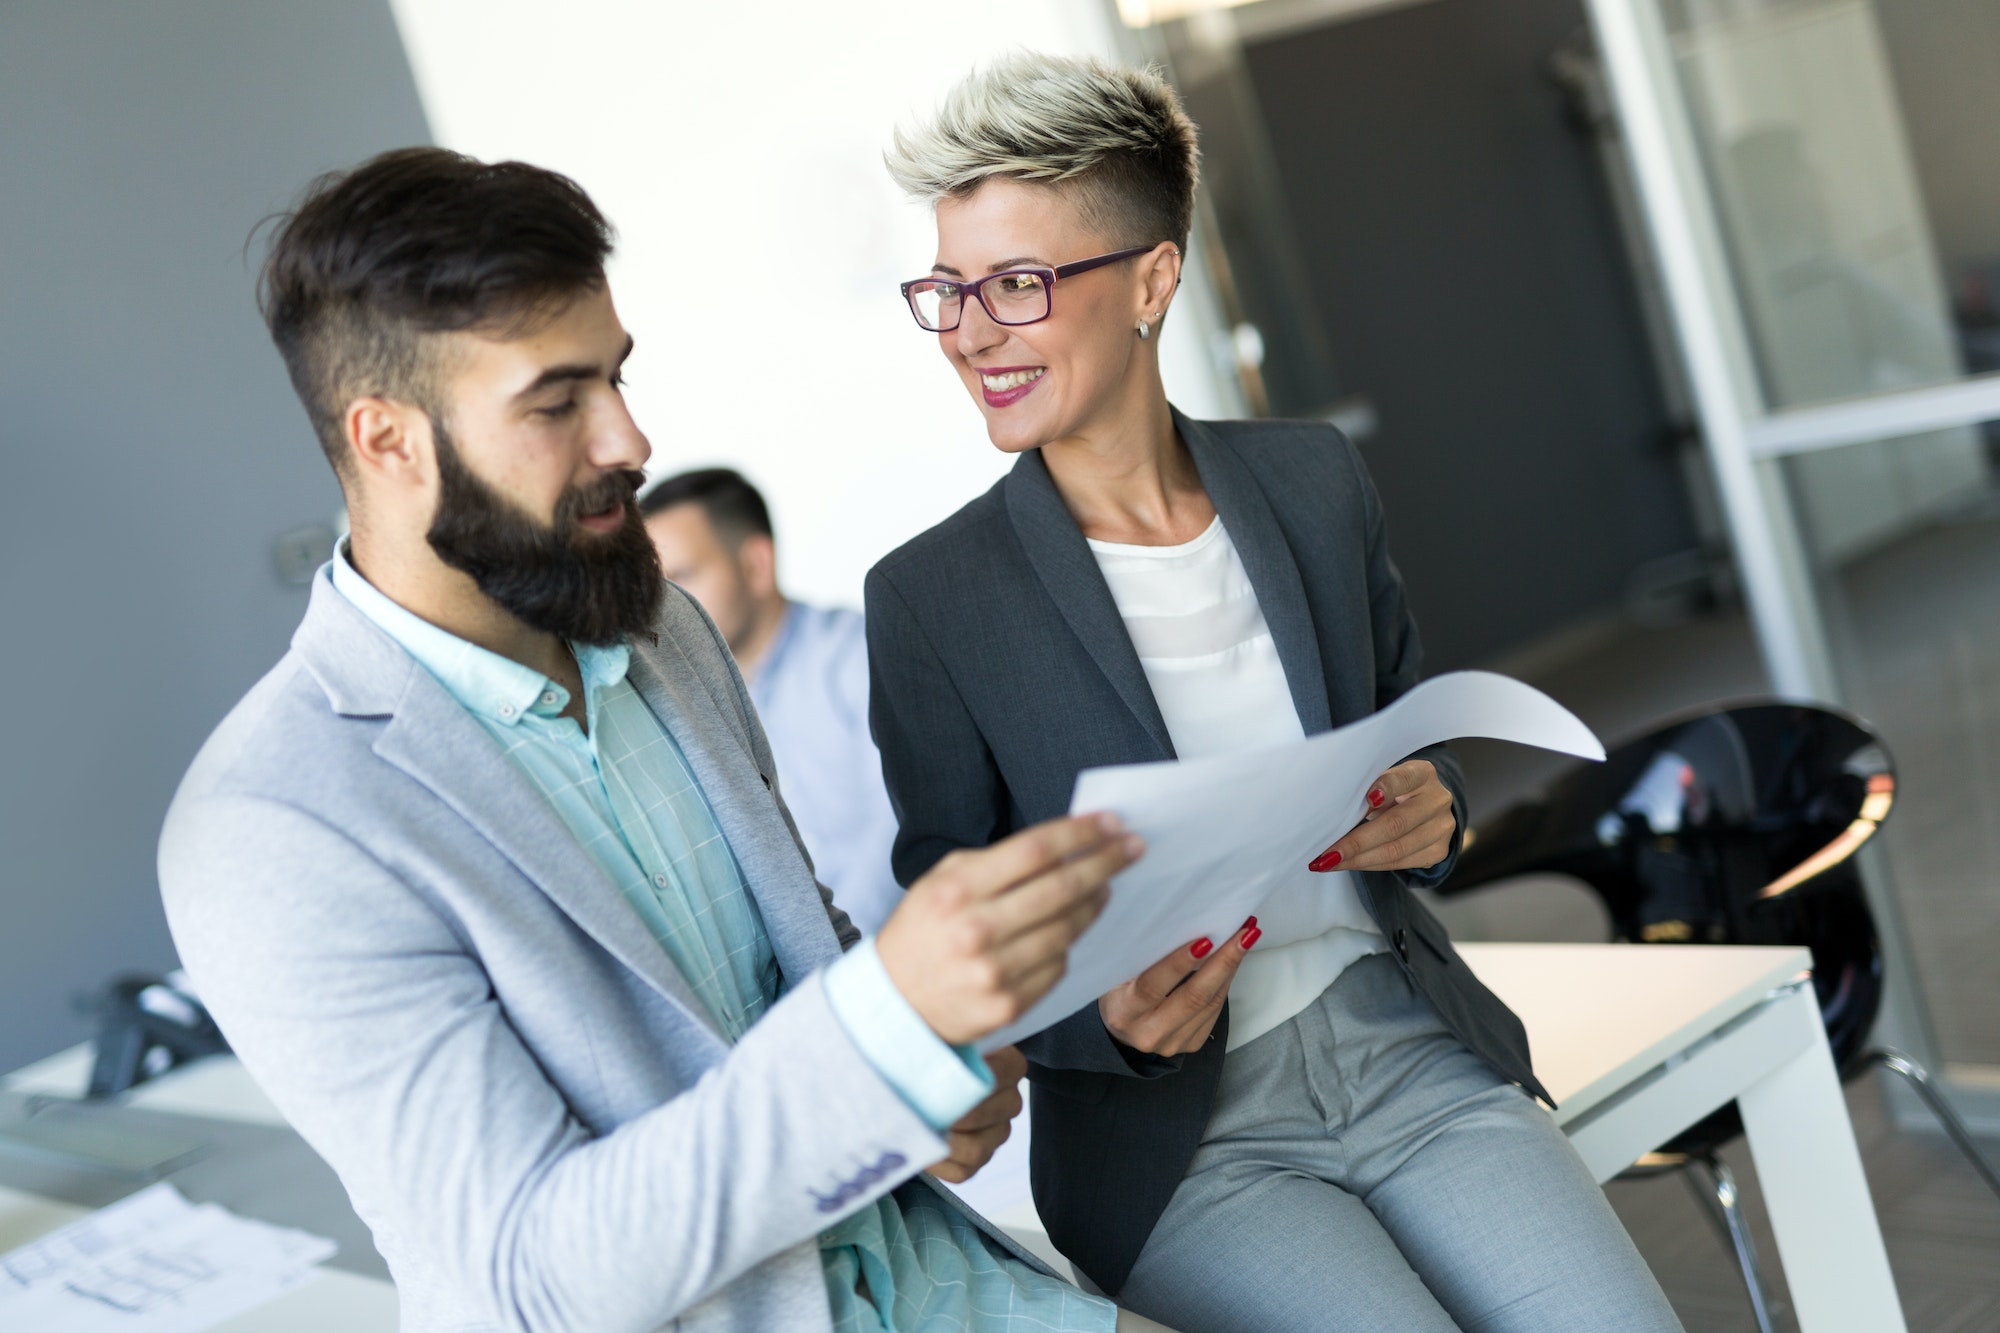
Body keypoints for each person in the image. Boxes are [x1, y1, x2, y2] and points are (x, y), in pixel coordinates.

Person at [157, 146, 1163, 1333]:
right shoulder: (270, 827)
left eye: (617, 378)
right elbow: (537, 1276)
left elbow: (794, 964)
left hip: (949, 1283)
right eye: (555, 403)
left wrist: (945, 1059)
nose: (629, 439)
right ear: (388, 441)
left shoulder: (658, 625)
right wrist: (884, 1034)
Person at [865, 54, 1684, 1333]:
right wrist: (1106, 1023)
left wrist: (1434, 808)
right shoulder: (932, 597)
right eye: (947, 290)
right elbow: (949, 906)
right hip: (1181, 1140)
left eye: (1016, 285)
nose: (970, 331)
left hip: (1405, 1044)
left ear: (1150, 278)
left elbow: (1405, 719)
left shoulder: (1309, 482)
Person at [640, 469, 902, 932]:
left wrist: (838, 972)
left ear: (756, 566)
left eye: (681, 578)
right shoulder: (678, 709)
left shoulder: (858, 655)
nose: (662, 608)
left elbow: (900, 827)